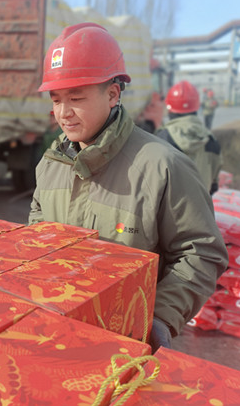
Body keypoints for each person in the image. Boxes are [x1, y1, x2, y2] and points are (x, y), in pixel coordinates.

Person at [28, 23, 228, 352]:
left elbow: (201, 251)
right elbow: (37, 223)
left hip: (124, 337)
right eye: (56, 99)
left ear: (112, 94)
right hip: (55, 327)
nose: (64, 113)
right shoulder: (51, 164)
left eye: (76, 98)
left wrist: (161, 316)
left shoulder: (163, 167)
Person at [155, 81, 222, 196]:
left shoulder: (162, 138)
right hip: (200, 206)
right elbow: (214, 185)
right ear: (196, 108)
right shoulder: (212, 141)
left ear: (170, 109)